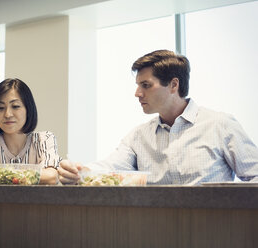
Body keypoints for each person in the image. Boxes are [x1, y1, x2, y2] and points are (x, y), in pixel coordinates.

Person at [58, 49, 258, 185]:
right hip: (156, 230)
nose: (137, 93)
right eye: (137, 85)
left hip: (214, 230)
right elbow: (110, 167)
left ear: (173, 85)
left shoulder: (220, 125)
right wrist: (79, 170)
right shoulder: (139, 136)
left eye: (146, 85)